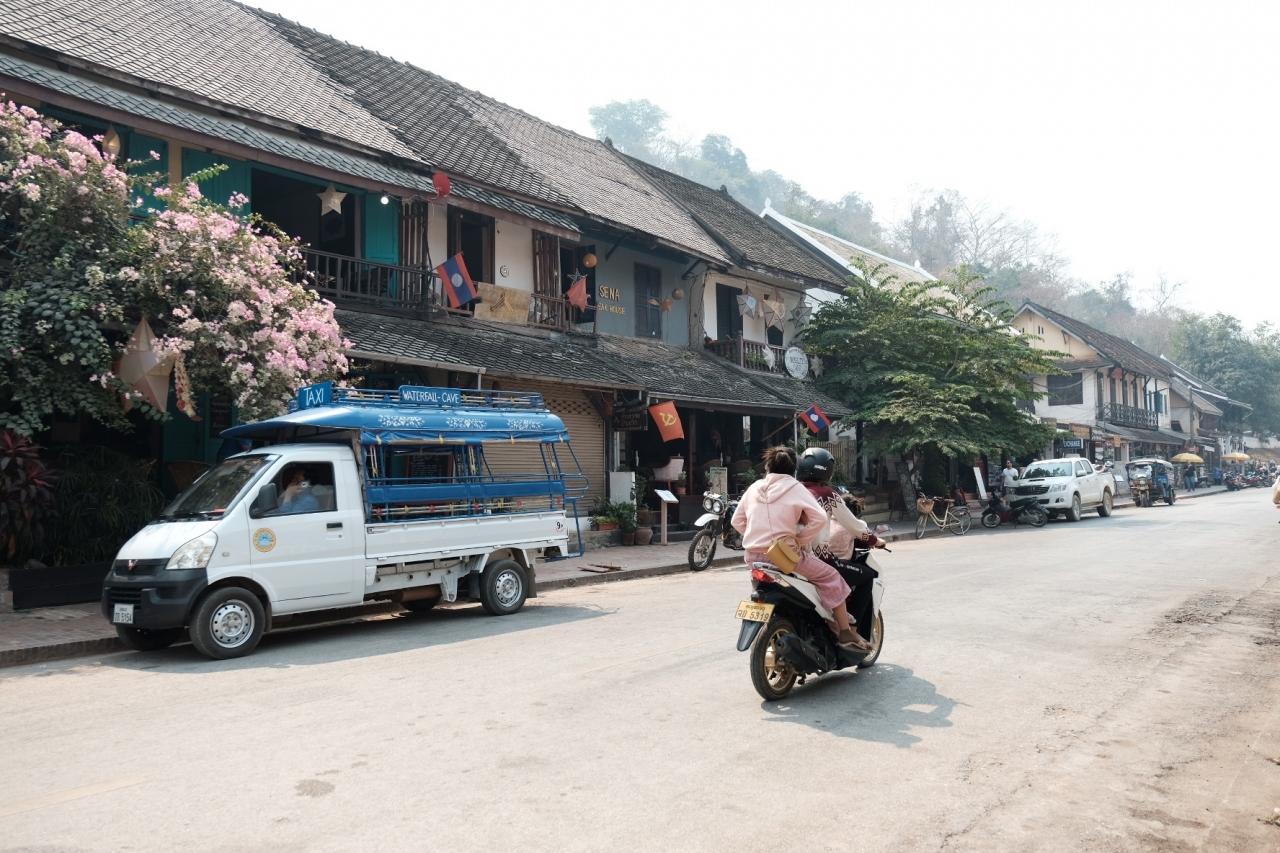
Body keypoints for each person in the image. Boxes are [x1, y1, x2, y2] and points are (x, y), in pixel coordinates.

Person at [731, 446, 866, 650]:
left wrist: (754, 534)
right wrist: (800, 540)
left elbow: (737, 521)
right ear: (794, 469)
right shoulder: (795, 487)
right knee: (832, 577)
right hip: (784, 556)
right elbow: (819, 518)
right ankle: (845, 631)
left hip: (753, 557)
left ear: (767, 467)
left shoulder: (754, 487)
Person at [796, 447, 885, 647]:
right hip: (819, 559)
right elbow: (853, 525)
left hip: (786, 555)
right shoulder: (828, 494)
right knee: (867, 576)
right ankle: (852, 631)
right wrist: (874, 541)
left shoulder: (792, 491)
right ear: (826, 470)